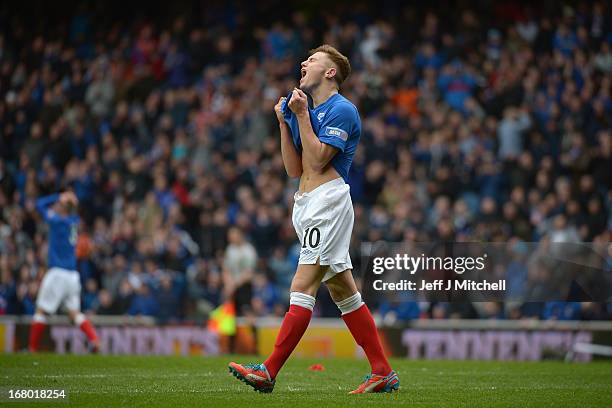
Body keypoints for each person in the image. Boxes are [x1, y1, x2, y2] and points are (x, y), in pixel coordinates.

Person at [228, 45, 399, 394]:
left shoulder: (342, 109)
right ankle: (382, 371)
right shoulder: (300, 110)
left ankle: (268, 370)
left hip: (328, 202)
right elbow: (295, 168)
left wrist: (302, 116)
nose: (304, 63)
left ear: (331, 72)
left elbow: (320, 161)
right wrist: (284, 121)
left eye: (313, 60)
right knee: (342, 291)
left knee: (302, 285)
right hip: (305, 202)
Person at [28, 191, 100, 352]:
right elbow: (72, 209)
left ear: (63, 208)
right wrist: (70, 201)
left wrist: (57, 196)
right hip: (73, 276)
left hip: (58, 273)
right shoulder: (74, 221)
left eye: (59, 205)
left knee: (41, 311)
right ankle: (94, 339)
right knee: (75, 313)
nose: (55, 207)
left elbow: (39, 204)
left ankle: (32, 349)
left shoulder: (57, 221)